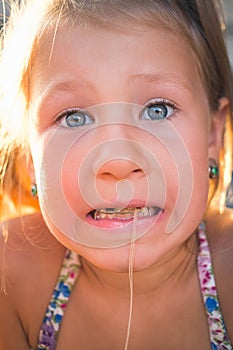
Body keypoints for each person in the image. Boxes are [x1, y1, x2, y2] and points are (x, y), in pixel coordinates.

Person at [0, 0, 233, 349]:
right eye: (73, 117)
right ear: (31, 158)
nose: (118, 163)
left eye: (157, 109)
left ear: (212, 136)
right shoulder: (11, 274)